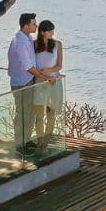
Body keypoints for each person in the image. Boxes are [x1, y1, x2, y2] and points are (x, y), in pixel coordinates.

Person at [7, 12, 55, 154]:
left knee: (30, 113)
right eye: (34, 23)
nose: (36, 26)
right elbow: (27, 66)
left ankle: (26, 141)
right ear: (26, 25)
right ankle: (20, 145)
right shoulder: (20, 42)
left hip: (29, 81)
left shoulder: (27, 38)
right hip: (22, 83)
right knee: (22, 113)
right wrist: (45, 78)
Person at [32, 19, 64, 154]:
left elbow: (59, 66)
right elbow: (31, 65)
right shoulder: (33, 45)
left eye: (53, 31)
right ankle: (39, 143)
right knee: (39, 116)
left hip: (53, 82)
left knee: (51, 114)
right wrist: (42, 74)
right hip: (39, 82)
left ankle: (45, 144)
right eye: (50, 31)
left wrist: (48, 72)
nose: (52, 33)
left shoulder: (57, 44)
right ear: (43, 32)